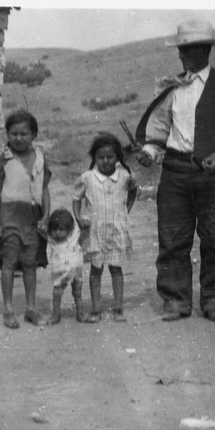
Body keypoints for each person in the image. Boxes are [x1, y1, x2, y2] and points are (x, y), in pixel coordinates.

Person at [135, 20, 215, 322]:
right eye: (181, 49)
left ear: (205, 50)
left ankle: (214, 301)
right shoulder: (173, 87)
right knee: (172, 238)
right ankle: (176, 300)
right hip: (174, 172)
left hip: (212, 175)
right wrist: (149, 153)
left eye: (188, 49)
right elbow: (158, 132)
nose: (182, 55)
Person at [0, 109, 51, 329]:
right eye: (13, 134)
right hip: (9, 217)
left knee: (30, 264)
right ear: (7, 134)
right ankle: (8, 309)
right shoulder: (3, 160)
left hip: (32, 219)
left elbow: (44, 190)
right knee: (9, 262)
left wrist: (45, 215)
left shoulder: (40, 158)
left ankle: (31, 309)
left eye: (24, 134)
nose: (18, 138)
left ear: (33, 134)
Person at [72, 132, 138, 323]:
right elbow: (76, 198)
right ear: (94, 158)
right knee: (96, 270)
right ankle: (96, 308)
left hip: (116, 231)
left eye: (110, 157)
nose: (105, 161)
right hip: (95, 232)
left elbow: (133, 192)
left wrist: (126, 211)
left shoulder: (125, 176)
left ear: (118, 157)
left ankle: (118, 307)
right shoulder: (88, 178)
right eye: (101, 157)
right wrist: (78, 217)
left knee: (116, 269)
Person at [46, 208, 92, 325]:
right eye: (54, 230)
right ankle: (56, 314)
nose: (57, 233)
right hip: (60, 273)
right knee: (57, 293)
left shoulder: (74, 235)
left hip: (76, 271)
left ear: (69, 229)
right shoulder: (52, 239)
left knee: (77, 293)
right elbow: (43, 231)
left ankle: (80, 313)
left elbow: (83, 239)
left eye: (61, 230)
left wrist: (86, 229)